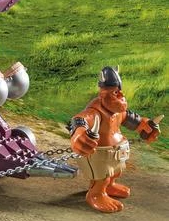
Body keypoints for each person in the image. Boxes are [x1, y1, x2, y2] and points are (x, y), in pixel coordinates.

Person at [69, 67, 161, 212]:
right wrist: (78, 133)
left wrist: (146, 126)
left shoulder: (118, 112)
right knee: (102, 176)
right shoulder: (95, 112)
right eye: (115, 93)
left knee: (116, 171)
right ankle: (96, 194)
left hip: (117, 152)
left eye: (119, 91)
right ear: (103, 94)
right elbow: (79, 119)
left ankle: (110, 186)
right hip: (101, 153)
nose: (121, 95)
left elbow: (135, 121)